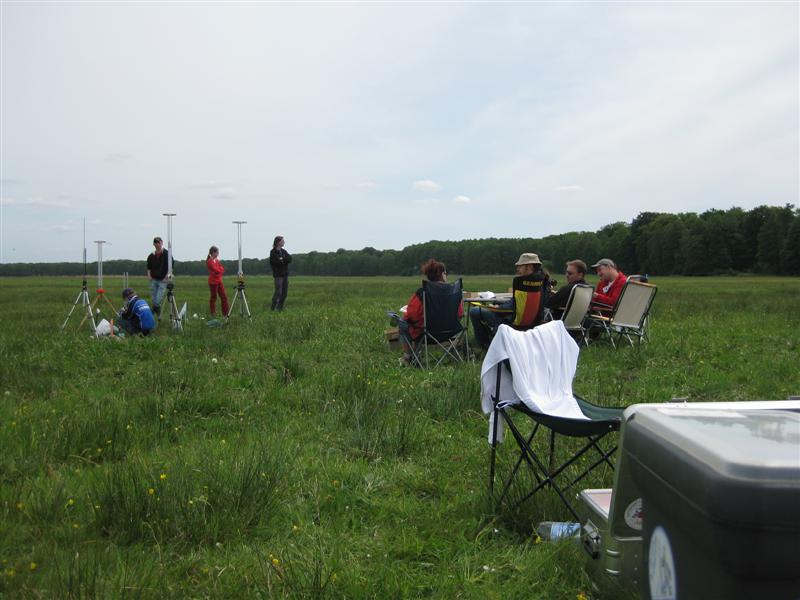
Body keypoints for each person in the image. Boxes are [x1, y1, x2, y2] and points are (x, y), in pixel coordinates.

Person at [469, 253, 550, 351]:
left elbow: (512, 307)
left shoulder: (521, 282)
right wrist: (499, 304)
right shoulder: (543, 281)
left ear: (529, 267)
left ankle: (487, 347)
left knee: (474, 311)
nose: (517, 269)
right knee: (495, 304)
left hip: (511, 323)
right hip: (533, 324)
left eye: (520, 266)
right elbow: (520, 303)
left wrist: (497, 308)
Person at [398, 258, 463, 366]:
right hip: (450, 332)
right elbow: (460, 314)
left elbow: (411, 315)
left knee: (403, 323)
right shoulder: (453, 292)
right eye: (445, 273)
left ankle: (408, 357)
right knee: (416, 325)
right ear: (442, 274)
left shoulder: (423, 292)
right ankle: (415, 357)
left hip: (427, 334)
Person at [146, 236, 169, 318]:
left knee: (158, 297)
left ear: (161, 243)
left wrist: (166, 277)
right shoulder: (151, 255)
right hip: (153, 279)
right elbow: (148, 267)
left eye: (158, 242)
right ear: (153, 244)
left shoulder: (167, 254)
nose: (157, 244)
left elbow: (171, 267)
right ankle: (157, 310)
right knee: (153, 298)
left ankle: (154, 310)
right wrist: (149, 275)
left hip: (163, 280)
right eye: (155, 243)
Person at [269, 235, 292, 311]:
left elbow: (290, 259)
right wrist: (283, 260)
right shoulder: (273, 252)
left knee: (284, 293)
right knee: (278, 292)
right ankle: (272, 309)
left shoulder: (283, 251)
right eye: (282, 241)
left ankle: (279, 309)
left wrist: (282, 259)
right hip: (278, 276)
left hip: (285, 275)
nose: (284, 242)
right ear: (278, 242)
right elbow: (277, 262)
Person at [206, 245, 229, 317]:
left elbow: (221, 269)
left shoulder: (217, 261)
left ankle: (226, 313)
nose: (218, 254)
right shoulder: (209, 261)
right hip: (213, 282)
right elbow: (216, 270)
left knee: (224, 297)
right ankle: (213, 313)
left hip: (219, 281)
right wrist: (219, 271)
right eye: (217, 252)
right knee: (214, 297)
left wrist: (219, 271)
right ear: (213, 252)